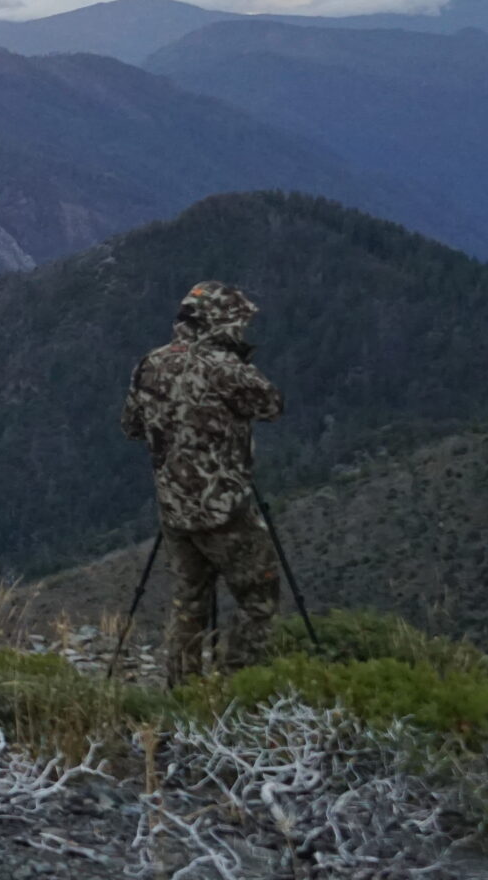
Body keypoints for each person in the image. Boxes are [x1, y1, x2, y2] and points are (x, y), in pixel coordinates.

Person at [121, 281, 284, 685]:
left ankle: (183, 692)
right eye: (237, 324)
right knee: (258, 600)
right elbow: (271, 405)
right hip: (224, 506)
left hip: (173, 506)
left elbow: (131, 426)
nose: (242, 331)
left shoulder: (150, 364)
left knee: (188, 601)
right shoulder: (223, 368)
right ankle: (238, 685)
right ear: (218, 323)